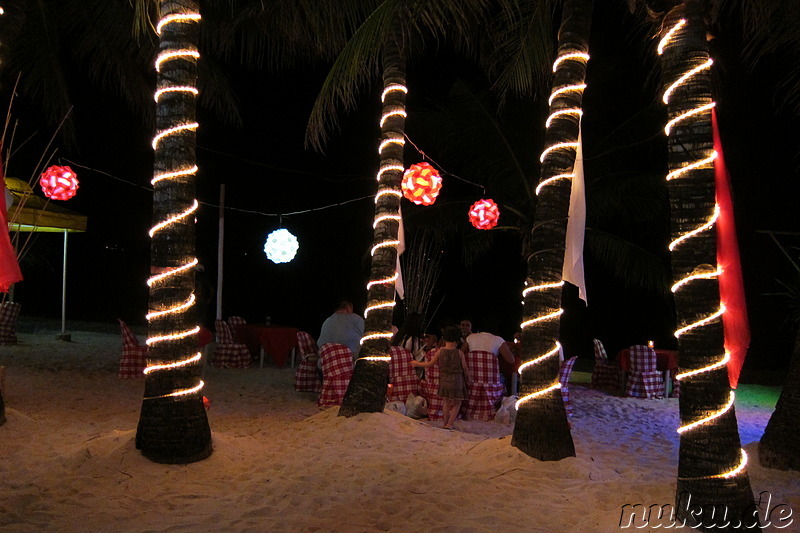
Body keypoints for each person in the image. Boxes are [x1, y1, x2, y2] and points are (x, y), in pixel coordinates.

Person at [411, 325, 471, 430]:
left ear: (444, 338)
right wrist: (468, 378)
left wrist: (417, 363)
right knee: (457, 403)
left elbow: (429, 364)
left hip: (444, 379)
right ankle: (450, 423)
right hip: (457, 380)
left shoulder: (440, 351)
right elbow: (465, 369)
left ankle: (445, 422)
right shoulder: (459, 353)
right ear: (457, 339)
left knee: (446, 402)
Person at [317, 298, 364, 363]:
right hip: (351, 363)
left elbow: (320, 344)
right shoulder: (355, 319)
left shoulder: (326, 322)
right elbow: (367, 336)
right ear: (348, 307)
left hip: (329, 364)